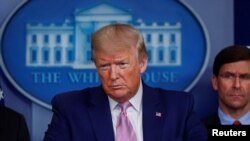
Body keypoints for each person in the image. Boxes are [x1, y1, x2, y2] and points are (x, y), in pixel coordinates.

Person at [43, 23, 207, 141]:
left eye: (122, 64)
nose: (113, 75)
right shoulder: (70, 107)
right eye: (104, 66)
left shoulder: (178, 106)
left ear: (142, 63)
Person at [203, 45, 250, 125]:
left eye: (244, 77)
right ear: (215, 82)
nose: (237, 85)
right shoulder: (197, 131)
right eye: (228, 76)